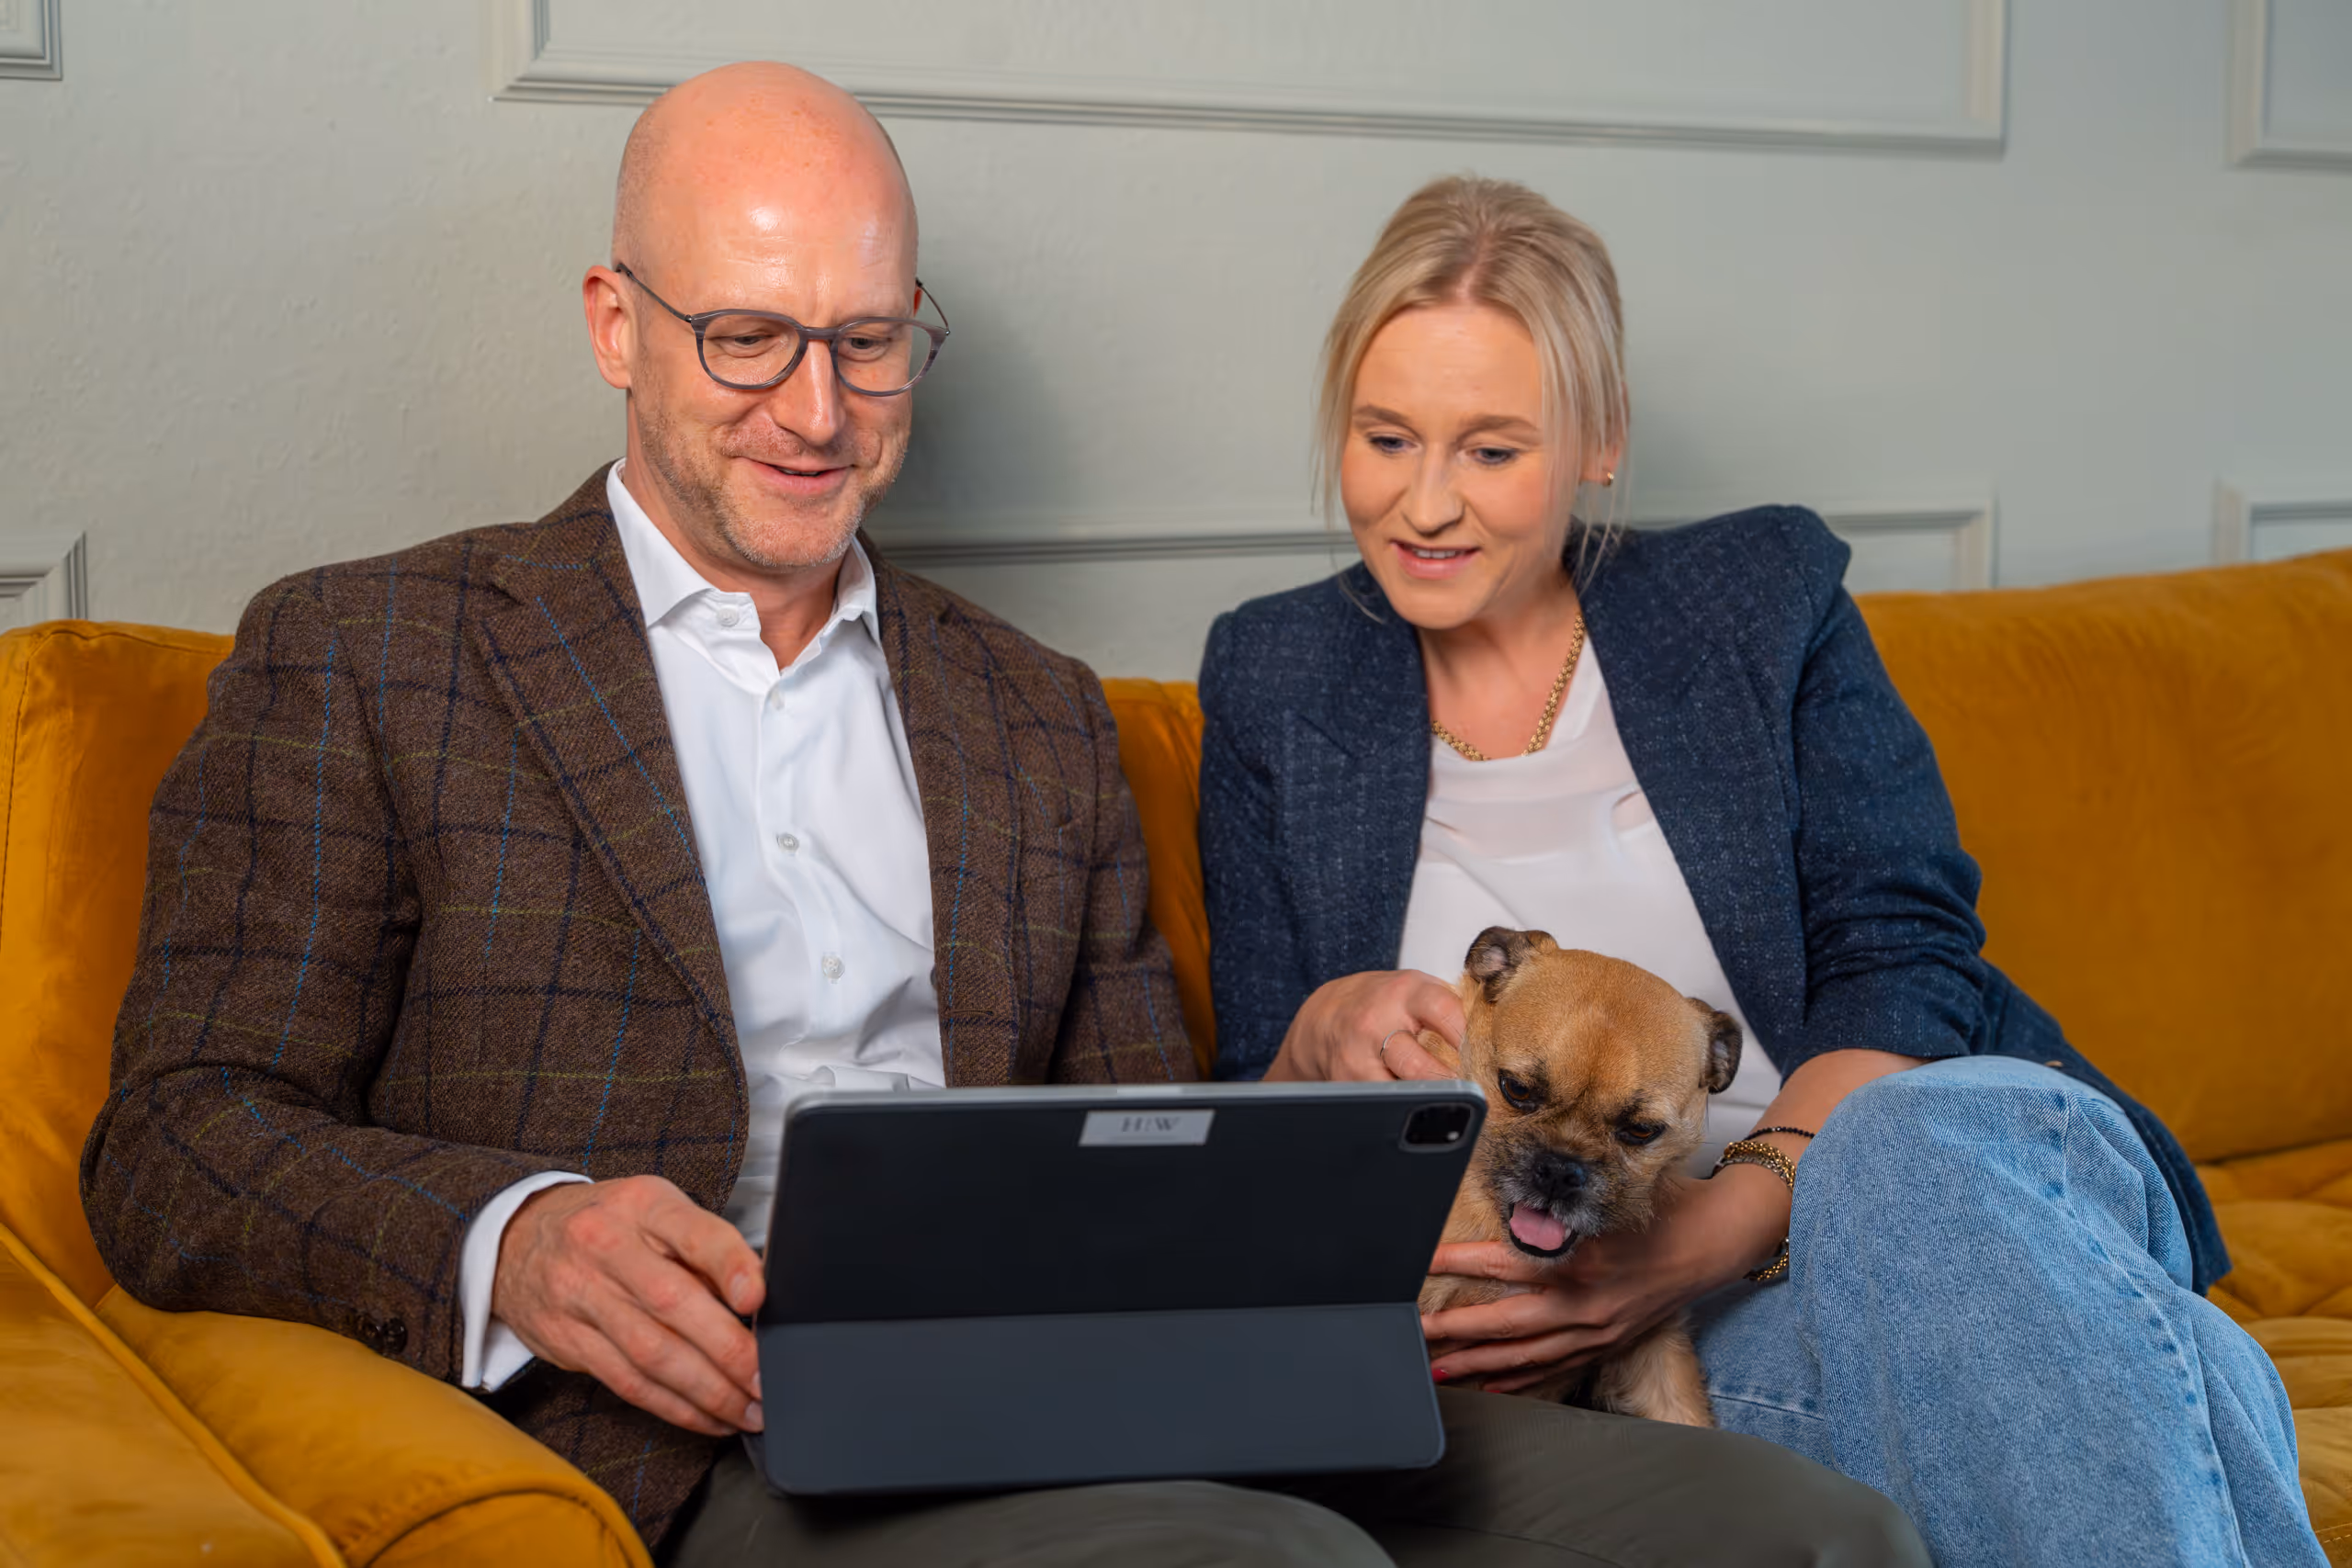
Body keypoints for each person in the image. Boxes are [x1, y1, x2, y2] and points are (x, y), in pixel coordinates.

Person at [82, 66, 1923, 1566]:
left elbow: (1161, 1135)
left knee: (1809, 1534)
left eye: (869, 341)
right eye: (747, 336)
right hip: (706, 1434)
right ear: (615, 326)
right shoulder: (368, 650)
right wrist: (520, 1238)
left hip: (1099, 1390)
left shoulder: (1027, 713)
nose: (816, 408)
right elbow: (174, 1141)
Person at [1196, 173, 2329, 1567]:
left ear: (1598, 441)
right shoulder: (1274, 674)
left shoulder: (1754, 598)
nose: (1423, 503)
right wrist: (1316, 1033)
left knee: (1906, 1154)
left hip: (1876, 1219)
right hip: (1643, 1345)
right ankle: (2162, 1366)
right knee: (2152, 1379)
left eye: (1491, 451)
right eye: (1384, 438)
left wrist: (1702, 1235)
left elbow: (1907, 965)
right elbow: (1247, 1106)